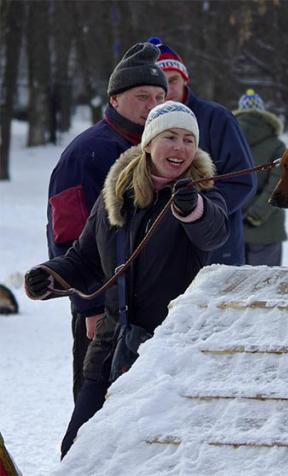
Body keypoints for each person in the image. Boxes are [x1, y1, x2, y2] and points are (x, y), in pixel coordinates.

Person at [25, 101, 229, 458]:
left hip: (165, 354)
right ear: (148, 142)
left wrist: (190, 208)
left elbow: (213, 232)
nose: (180, 148)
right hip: (109, 345)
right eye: (170, 137)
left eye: (188, 139)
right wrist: (49, 276)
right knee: (77, 450)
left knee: (142, 456)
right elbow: (84, 259)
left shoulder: (202, 193)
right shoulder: (116, 195)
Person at [46, 42, 167, 402]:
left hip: (149, 307)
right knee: (96, 409)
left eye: (160, 96)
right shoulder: (88, 151)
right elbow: (66, 237)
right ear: (115, 99)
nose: (153, 106)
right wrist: (90, 306)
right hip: (103, 311)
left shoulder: (164, 151)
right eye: (142, 96)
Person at [147, 36, 256, 265]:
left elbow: (243, 180)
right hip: (161, 255)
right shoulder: (144, 122)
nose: (168, 88)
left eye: (173, 80)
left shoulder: (217, 118)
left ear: (185, 80)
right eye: (161, 82)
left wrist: (202, 212)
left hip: (216, 253)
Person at [234, 89, 288, 265]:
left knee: (230, 287)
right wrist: (256, 214)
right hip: (267, 228)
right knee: (264, 286)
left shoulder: (228, 139)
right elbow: (278, 184)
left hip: (232, 224)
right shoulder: (277, 145)